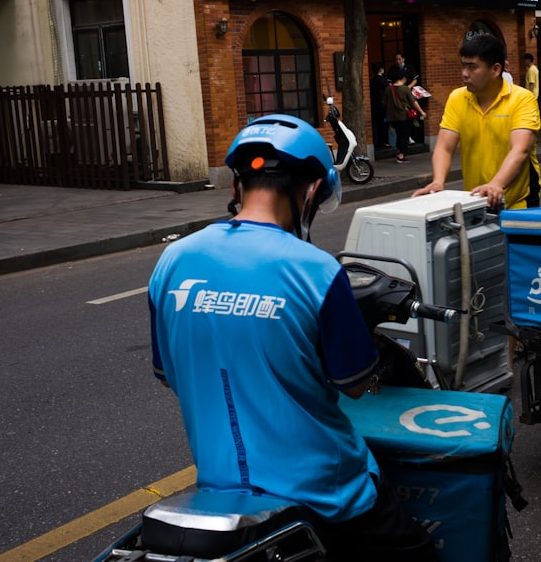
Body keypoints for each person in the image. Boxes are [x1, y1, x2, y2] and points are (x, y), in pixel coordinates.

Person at [148, 115, 438, 561]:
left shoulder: (171, 261)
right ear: (311, 191)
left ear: (236, 187)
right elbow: (355, 384)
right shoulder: (316, 270)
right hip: (328, 492)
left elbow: (168, 375)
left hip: (220, 488)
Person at [413, 32, 541, 212]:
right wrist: (438, 182)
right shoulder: (457, 98)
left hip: (518, 204)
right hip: (476, 201)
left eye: (472, 67)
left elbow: (521, 149)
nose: (464, 74)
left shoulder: (522, 99)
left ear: (496, 70)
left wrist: (496, 184)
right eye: (463, 66)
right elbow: (444, 147)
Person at [383, 66, 426, 163]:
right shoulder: (405, 89)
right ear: (404, 78)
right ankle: (401, 155)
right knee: (404, 135)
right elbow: (413, 102)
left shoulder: (388, 89)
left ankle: (399, 152)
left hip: (392, 117)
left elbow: (384, 102)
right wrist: (422, 112)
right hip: (404, 116)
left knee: (398, 135)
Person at [370, 63, 390, 149]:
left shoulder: (371, 81)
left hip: (374, 105)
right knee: (384, 125)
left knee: (376, 124)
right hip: (383, 106)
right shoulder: (384, 81)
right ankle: (384, 142)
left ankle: (377, 142)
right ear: (381, 70)